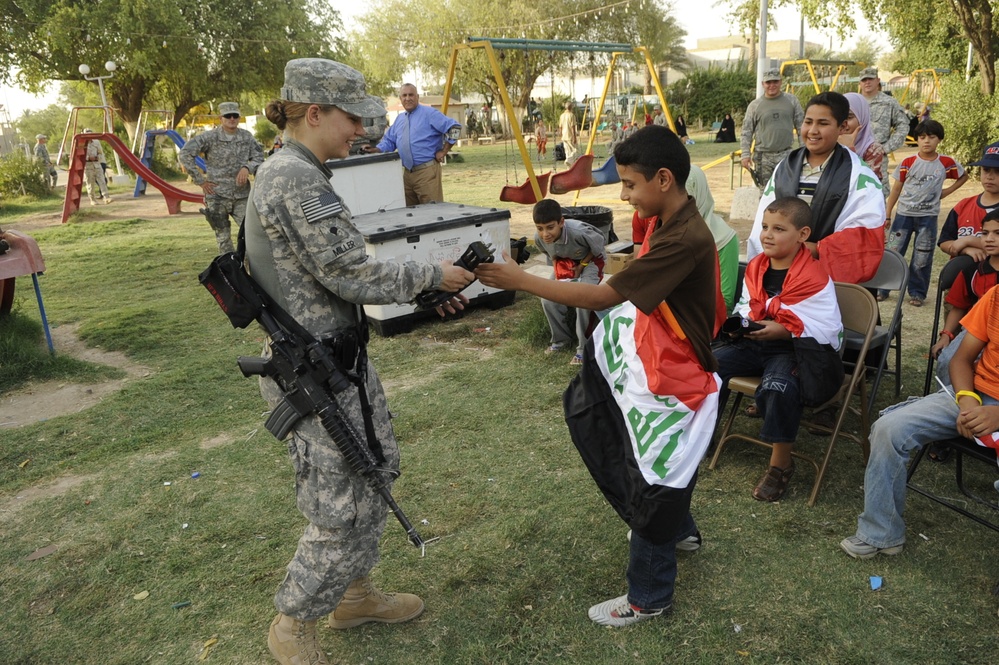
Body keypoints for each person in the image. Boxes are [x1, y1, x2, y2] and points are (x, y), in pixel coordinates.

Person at [243, 59, 474, 665]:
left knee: (376, 468)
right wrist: (431, 273)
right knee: (339, 498)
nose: (360, 132)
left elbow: (332, 276)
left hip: (337, 362)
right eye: (351, 118)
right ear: (313, 112)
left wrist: (427, 292)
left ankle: (353, 595)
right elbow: (346, 271)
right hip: (315, 372)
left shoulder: (301, 170)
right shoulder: (292, 178)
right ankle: (292, 624)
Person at [476, 125, 724, 627]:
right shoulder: (670, 221)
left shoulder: (683, 237)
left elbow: (602, 297)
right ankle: (681, 531)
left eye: (630, 185)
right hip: (662, 358)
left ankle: (648, 596)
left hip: (676, 374)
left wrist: (521, 280)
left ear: (663, 178)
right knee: (654, 454)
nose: (624, 194)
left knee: (655, 471)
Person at [840, 282, 999, 559]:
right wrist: (967, 401)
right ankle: (882, 533)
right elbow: (961, 360)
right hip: (973, 394)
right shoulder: (996, 296)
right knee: (889, 429)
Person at [715, 197, 842, 501]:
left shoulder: (815, 278)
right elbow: (749, 305)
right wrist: (745, 324)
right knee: (707, 363)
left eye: (779, 228)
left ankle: (780, 465)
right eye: (764, 227)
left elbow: (829, 330)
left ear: (802, 234)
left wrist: (784, 330)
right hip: (757, 341)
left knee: (779, 388)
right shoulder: (756, 266)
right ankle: (703, 433)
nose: (768, 235)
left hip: (794, 350)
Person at [748, 91, 885, 285]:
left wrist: (814, 248)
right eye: (808, 122)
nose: (812, 130)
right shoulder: (785, 166)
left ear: (843, 126)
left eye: (823, 123)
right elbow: (765, 217)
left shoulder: (860, 175)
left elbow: (864, 235)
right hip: (780, 270)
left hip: (827, 281)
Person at [883, 119, 968, 306]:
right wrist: (888, 214)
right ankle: (883, 289)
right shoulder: (908, 162)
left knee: (923, 256)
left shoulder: (945, 162)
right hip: (903, 216)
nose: (926, 141)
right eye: (922, 137)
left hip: (928, 218)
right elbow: (896, 189)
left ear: (939, 139)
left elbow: (963, 176)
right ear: (917, 140)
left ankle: (917, 293)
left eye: (931, 137)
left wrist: (945, 192)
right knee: (893, 251)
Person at [631, 165, 739, 311]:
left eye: (687, 197)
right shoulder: (657, 226)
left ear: (697, 195)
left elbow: (725, 301)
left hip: (698, 320)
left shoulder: (723, 239)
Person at [179, 102, 265, 255]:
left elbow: (259, 156)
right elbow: (185, 154)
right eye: (228, 116)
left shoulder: (246, 137)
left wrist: (247, 168)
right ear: (221, 118)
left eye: (235, 116)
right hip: (217, 196)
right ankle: (230, 272)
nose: (232, 119)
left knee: (252, 234)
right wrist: (200, 181)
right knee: (223, 240)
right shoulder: (209, 137)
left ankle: (250, 269)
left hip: (241, 196)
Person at [930, 210, 999, 390]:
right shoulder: (973, 272)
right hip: (975, 332)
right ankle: (948, 401)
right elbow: (959, 306)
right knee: (948, 360)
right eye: (985, 233)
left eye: (997, 233)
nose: (990, 239)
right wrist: (946, 336)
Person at [532, 198, 606, 365]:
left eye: (550, 227)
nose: (545, 234)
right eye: (540, 228)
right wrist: (561, 267)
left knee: (583, 300)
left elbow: (599, 246)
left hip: (591, 261)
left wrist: (582, 265)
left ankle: (583, 349)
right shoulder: (539, 238)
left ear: (561, 222)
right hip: (567, 261)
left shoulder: (579, 232)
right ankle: (560, 340)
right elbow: (550, 254)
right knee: (548, 298)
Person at [366, 83, 459, 206]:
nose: (407, 98)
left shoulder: (429, 113)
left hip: (427, 172)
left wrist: (444, 151)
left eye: (411, 95)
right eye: (404, 95)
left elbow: (455, 128)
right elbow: (390, 141)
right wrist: (376, 149)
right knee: (412, 215)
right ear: (400, 98)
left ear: (417, 97)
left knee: (433, 213)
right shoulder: (400, 119)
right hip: (407, 175)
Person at [740, 69, 805, 189]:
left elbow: (802, 127)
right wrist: (745, 154)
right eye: (768, 82)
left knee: (787, 191)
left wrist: (804, 151)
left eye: (775, 82)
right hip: (763, 157)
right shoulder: (754, 106)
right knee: (765, 193)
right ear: (763, 84)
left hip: (786, 155)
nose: (772, 85)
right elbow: (746, 132)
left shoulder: (792, 101)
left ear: (781, 82)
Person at [938, 140, 999, 261]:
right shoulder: (964, 205)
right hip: (962, 276)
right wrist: (965, 249)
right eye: (986, 170)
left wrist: (969, 240)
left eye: (998, 171)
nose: (989, 176)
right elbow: (945, 241)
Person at [858, 67, 910, 194]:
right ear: (860, 83)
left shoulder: (889, 103)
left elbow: (903, 125)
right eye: (864, 80)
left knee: (878, 191)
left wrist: (886, 148)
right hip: (855, 155)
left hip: (877, 158)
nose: (867, 82)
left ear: (878, 81)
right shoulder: (853, 103)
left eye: (870, 79)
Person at [839, 92, 885, 181]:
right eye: (839, 117)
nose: (843, 123)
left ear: (862, 118)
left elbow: (865, 181)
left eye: (849, 117)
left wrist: (849, 149)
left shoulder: (873, 149)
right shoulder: (831, 142)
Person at [82, 129, 111, 205]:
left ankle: (106, 197)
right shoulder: (82, 143)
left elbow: (100, 152)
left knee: (102, 181)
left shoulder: (96, 142)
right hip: (88, 166)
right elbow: (80, 155)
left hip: (97, 164)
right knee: (90, 183)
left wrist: (98, 157)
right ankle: (92, 199)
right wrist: (88, 158)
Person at [558, 102, 578, 166]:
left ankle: (569, 167)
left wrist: (561, 135)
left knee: (567, 152)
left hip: (564, 136)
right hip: (570, 136)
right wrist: (574, 137)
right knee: (575, 151)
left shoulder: (562, 116)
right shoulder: (571, 115)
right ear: (571, 107)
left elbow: (560, 127)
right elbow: (573, 127)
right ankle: (568, 160)